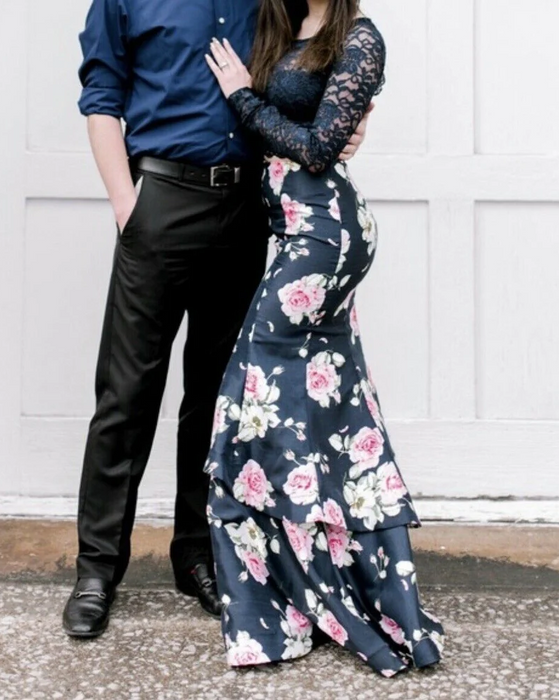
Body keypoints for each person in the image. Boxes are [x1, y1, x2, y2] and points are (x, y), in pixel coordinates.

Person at [62, 0, 368, 639]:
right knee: (126, 394)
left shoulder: (273, 0)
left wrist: (351, 118)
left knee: (215, 397)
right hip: (160, 203)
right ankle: (97, 570)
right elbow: (101, 97)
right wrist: (127, 207)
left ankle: (196, 555)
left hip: (244, 211)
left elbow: (321, 51)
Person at [204, 0, 445, 676]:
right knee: (338, 409)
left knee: (254, 400)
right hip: (296, 231)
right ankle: (363, 587)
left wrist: (243, 99)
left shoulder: (359, 38)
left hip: (324, 234)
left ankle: (297, 592)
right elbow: (309, 134)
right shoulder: (284, 24)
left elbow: (315, 149)